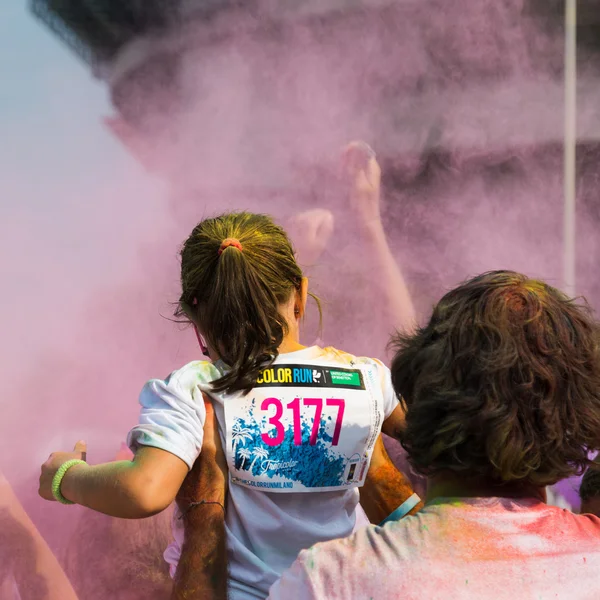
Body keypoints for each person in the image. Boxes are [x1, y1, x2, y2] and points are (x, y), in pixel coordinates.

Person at [38, 147, 421, 600]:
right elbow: (436, 437)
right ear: (300, 292)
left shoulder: (195, 388)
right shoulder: (364, 378)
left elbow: (144, 491)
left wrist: (67, 477)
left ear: (193, 317)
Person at [178, 271, 600, 599]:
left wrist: (204, 513)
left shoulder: (333, 577)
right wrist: (380, 481)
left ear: (416, 395)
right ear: (578, 418)